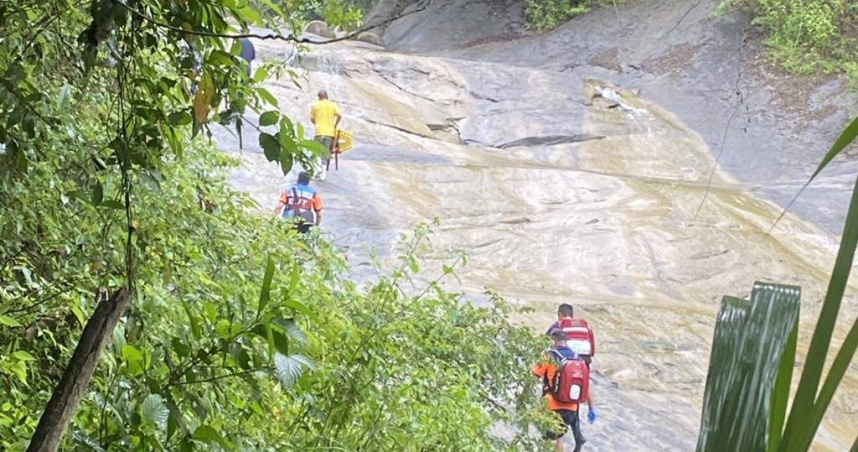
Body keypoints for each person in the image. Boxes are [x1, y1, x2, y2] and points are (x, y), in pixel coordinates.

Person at [533, 330, 597, 452]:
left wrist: (523, 397)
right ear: (566, 341)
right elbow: (587, 386)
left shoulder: (548, 356)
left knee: (547, 441)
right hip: (571, 410)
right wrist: (591, 408)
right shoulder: (578, 359)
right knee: (559, 437)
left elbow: (533, 377)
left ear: (553, 341)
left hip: (550, 407)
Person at [309, 90, 341, 181]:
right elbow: (339, 116)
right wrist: (335, 125)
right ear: (327, 96)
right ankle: (323, 176)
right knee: (325, 152)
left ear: (319, 97)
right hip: (329, 133)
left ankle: (318, 168)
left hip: (319, 132)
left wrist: (317, 123)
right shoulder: (333, 105)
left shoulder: (315, 105)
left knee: (316, 151)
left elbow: (312, 119)